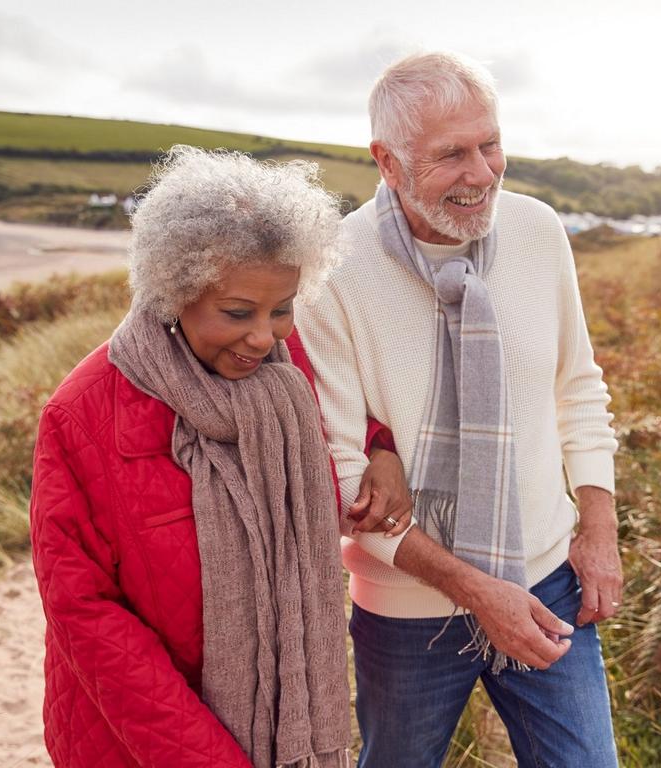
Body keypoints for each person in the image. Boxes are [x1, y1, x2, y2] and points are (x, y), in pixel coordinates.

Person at [29, 146, 408, 767]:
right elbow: (85, 615)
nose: (264, 337)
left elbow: (342, 418)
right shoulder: (83, 414)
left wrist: (381, 450)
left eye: (282, 309)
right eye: (237, 313)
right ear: (175, 292)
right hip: (138, 745)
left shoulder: (283, 378)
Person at [299, 52, 623, 767]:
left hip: (547, 580)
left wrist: (598, 531)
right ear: (388, 162)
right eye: (451, 155)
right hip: (407, 609)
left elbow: (579, 387)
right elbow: (345, 473)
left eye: (490, 144)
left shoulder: (539, 233)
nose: (482, 173)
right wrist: (477, 592)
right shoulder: (331, 273)